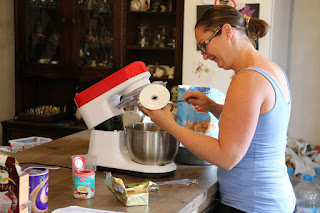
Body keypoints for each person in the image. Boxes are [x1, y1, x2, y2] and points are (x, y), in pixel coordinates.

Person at [139, 4, 295, 213]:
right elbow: (257, 126)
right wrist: (214, 107)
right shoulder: (272, 70)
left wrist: (169, 125)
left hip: (252, 205)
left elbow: (227, 156)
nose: (204, 55)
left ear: (227, 31)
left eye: (204, 45)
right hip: (276, 200)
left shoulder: (248, 79)